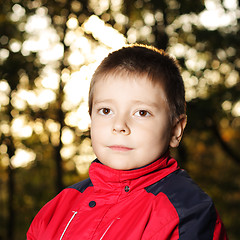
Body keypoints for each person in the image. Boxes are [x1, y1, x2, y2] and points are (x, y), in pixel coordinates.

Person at [27, 44, 228, 239]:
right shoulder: (56, 210)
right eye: (106, 111)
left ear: (176, 130)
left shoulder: (187, 212)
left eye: (142, 112)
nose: (119, 125)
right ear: (90, 121)